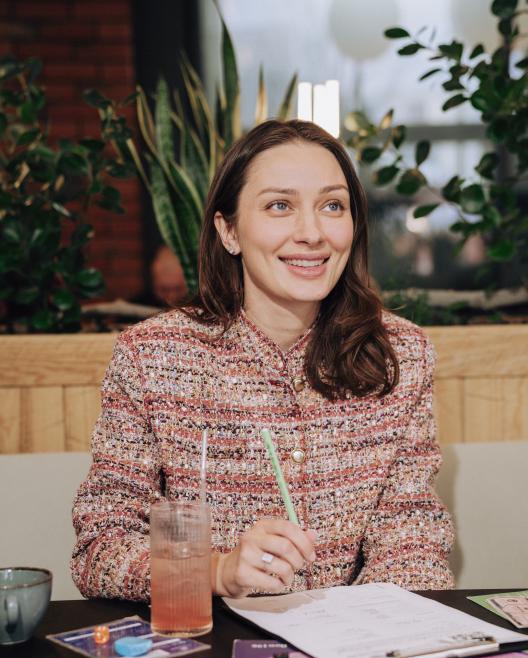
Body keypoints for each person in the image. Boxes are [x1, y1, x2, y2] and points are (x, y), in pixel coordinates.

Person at [72, 119, 454, 602]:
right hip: (210, 635)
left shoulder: (401, 354)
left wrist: (368, 623)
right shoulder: (152, 356)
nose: (312, 233)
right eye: (279, 206)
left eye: (332, 206)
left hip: (355, 639)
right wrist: (216, 571)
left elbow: (412, 535)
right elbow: (100, 548)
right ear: (229, 231)